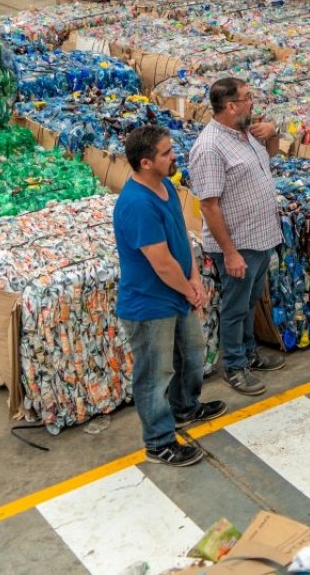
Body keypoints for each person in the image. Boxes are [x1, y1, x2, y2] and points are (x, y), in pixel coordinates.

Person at [114, 125, 226, 466]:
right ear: (146, 162)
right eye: (166, 152)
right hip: (150, 304)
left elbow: (180, 241)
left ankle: (185, 407)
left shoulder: (164, 186)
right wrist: (191, 290)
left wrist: (194, 277)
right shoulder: (137, 204)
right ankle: (159, 441)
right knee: (154, 373)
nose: (174, 155)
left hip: (177, 293)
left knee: (193, 353)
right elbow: (161, 263)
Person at [191, 76, 286, 397]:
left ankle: (249, 353)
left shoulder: (246, 133)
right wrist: (229, 252)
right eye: (247, 97)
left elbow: (268, 160)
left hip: (260, 237)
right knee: (234, 307)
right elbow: (208, 205)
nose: (252, 101)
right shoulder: (209, 147)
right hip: (238, 244)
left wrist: (272, 134)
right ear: (231, 106)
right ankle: (233, 366)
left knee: (248, 302)